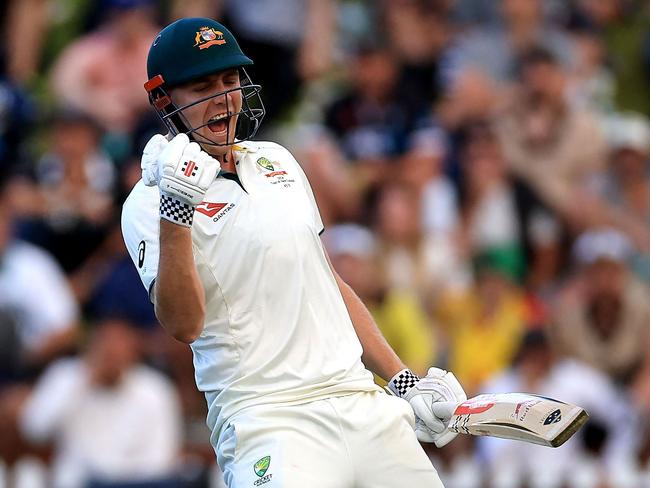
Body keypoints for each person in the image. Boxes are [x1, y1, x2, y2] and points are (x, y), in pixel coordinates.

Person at [121, 17, 466, 487]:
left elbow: (326, 281)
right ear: (164, 100)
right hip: (268, 419)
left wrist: (404, 381)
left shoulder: (276, 160)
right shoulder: (147, 202)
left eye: (230, 80)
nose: (224, 97)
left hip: (360, 401)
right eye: (203, 85)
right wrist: (177, 208)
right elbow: (184, 324)